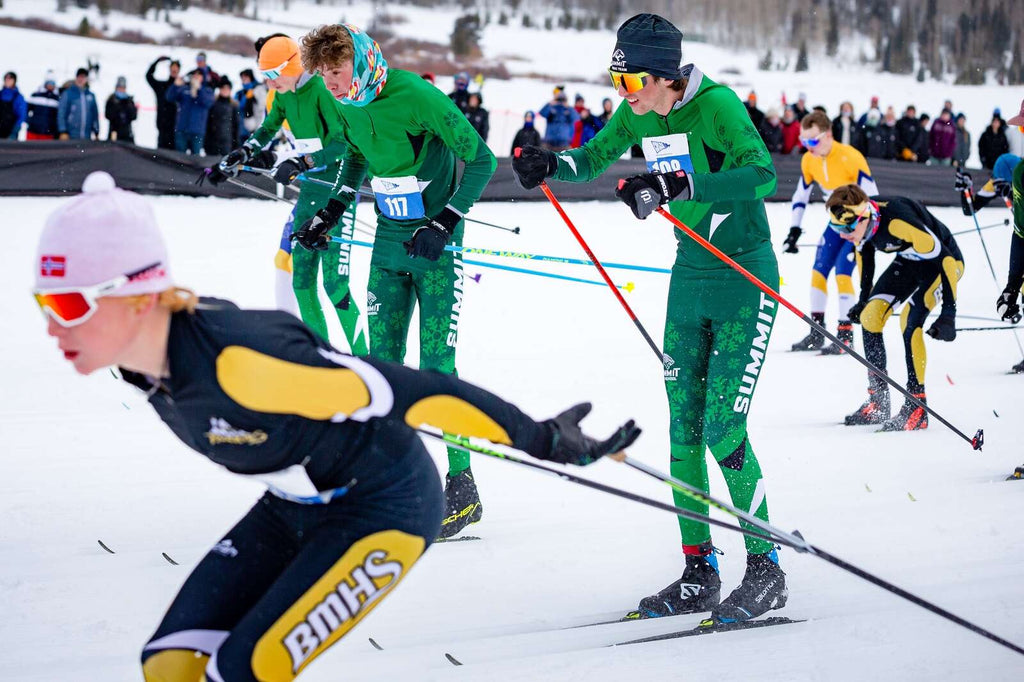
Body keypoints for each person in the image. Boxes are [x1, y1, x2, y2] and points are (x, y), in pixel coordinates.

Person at [34, 171, 639, 682]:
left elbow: (411, 391)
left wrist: (540, 438)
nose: (53, 328)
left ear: (138, 295)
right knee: (169, 663)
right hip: (294, 505)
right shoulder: (145, 367)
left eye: (66, 305)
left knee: (245, 667)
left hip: (385, 510)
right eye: (44, 304)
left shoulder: (241, 366)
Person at [512, 13, 788, 625]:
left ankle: (767, 569)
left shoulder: (716, 106)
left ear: (664, 76)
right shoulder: (637, 111)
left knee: (723, 427)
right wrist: (549, 165)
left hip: (744, 278)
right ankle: (700, 571)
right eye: (618, 82)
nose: (625, 93)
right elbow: (594, 157)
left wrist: (681, 183)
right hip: (689, 277)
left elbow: (763, 172)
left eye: (631, 80)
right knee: (682, 433)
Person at [297, 23, 499, 539]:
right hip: (389, 243)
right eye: (322, 74)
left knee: (436, 368)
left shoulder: (415, 95)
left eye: (337, 72)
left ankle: (462, 486)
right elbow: (357, 157)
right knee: (380, 368)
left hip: (436, 247)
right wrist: (330, 212)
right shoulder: (342, 99)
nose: (331, 84)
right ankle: (388, 480)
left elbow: (481, 160)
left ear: (360, 62)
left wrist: (445, 221)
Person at [205, 33, 367, 358]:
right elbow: (267, 128)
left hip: (337, 192)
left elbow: (343, 144)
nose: (268, 81)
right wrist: (244, 152)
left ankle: (368, 359)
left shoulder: (320, 89)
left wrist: (303, 161)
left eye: (272, 74)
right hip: (310, 191)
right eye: (264, 75)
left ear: (291, 65)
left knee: (334, 285)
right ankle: (324, 361)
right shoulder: (283, 93)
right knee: (302, 282)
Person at [831, 185, 963, 430]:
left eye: (846, 228)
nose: (842, 235)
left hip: (945, 266)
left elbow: (944, 259)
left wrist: (949, 313)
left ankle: (917, 406)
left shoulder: (897, 222)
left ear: (863, 218)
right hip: (910, 261)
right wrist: (863, 299)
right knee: (871, 317)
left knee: (909, 322)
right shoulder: (864, 224)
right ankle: (878, 402)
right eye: (836, 228)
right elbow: (866, 255)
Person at [782, 110, 878, 354]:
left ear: (829, 135)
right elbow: (800, 195)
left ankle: (845, 336)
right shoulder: (809, 160)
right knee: (818, 271)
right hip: (835, 225)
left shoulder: (850, 157)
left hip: (858, 226)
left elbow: (874, 199)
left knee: (843, 274)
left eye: (813, 141)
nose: (808, 147)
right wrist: (794, 229)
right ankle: (817, 333)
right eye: (804, 141)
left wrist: (865, 232)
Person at [166, 69, 214, 154]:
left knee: (196, 157)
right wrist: (175, 85)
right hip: (182, 129)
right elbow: (169, 98)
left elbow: (207, 103)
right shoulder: (184, 89)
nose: (196, 77)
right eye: (194, 75)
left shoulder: (207, 91)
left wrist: (199, 89)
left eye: (199, 75)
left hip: (197, 131)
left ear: (203, 78)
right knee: (179, 156)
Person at [146, 56, 181, 150]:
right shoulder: (161, 86)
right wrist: (156, 62)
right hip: (162, 126)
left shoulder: (183, 88)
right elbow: (148, 76)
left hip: (177, 129)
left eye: (176, 69)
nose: (174, 70)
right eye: (172, 68)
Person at [57, 68, 99, 141]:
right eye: (79, 77)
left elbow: (94, 115)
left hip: (86, 136)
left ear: (86, 79)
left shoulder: (91, 95)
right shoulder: (67, 93)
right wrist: (63, 130)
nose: (81, 79)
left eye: (83, 77)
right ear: (76, 78)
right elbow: (61, 113)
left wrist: (96, 131)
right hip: (70, 136)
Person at [205, 77, 238, 155]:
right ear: (220, 89)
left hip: (227, 140)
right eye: (223, 88)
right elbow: (208, 122)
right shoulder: (213, 103)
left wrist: (236, 143)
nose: (225, 90)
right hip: (213, 139)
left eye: (227, 88)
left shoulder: (234, 105)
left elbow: (236, 125)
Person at [25, 72, 60, 140]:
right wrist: (29, 121)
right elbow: (25, 109)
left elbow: (58, 116)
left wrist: (53, 127)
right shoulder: (36, 95)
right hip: (33, 131)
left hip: (48, 133)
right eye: (49, 83)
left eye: (52, 83)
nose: (50, 85)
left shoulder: (57, 99)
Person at [234, 68, 267, 141]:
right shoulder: (240, 93)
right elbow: (236, 106)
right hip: (242, 126)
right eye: (242, 78)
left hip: (256, 125)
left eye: (246, 77)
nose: (244, 80)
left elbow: (263, 106)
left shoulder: (258, 89)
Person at [104, 76, 137, 143]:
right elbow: (108, 115)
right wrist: (118, 107)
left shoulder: (129, 101)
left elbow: (133, 116)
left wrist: (127, 105)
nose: (121, 90)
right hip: (114, 133)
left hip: (127, 134)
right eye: (120, 87)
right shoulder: (111, 100)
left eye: (123, 88)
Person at [0, 71, 27, 139]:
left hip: (11, 131)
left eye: (10, 79)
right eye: (6, 79)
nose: (8, 81)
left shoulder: (18, 97)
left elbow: (21, 115)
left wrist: (15, 131)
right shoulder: (1, 94)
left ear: (14, 81)